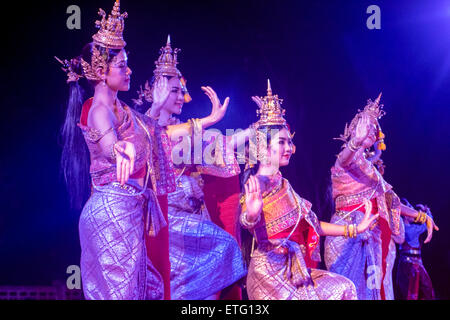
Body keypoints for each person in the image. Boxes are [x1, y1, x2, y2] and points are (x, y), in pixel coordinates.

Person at [56, 1, 176, 299]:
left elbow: (146, 128)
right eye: (122, 65)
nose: (129, 70)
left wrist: (158, 106)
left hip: (127, 212)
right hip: (112, 213)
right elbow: (110, 144)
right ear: (100, 70)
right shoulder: (98, 110)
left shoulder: (121, 108)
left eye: (127, 62)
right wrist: (118, 148)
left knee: (145, 289)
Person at [239, 81, 378, 300]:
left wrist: (356, 228)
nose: (290, 148)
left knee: (344, 288)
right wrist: (252, 215)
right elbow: (246, 219)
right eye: (282, 142)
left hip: (294, 270)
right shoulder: (260, 182)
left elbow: (314, 224)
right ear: (264, 147)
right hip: (270, 276)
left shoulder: (283, 184)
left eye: (290, 142)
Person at [134, 36, 249, 299]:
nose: (182, 97)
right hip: (160, 218)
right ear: (156, 92)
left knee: (218, 263)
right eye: (174, 90)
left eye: (181, 90)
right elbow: (164, 138)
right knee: (224, 248)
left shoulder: (185, 134)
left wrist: (255, 131)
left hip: (185, 218)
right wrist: (208, 120)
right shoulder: (143, 125)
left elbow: (221, 144)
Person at [324, 94, 439, 300]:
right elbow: (342, 160)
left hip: (374, 235)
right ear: (355, 128)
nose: (373, 130)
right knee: (348, 291)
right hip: (348, 235)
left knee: (373, 291)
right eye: (368, 125)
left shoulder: (370, 168)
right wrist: (354, 143)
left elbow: (390, 200)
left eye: (375, 127)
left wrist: (421, 216)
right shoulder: (348, 157)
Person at [394, 199, 436, 300]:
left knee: (412, 290)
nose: (413, 214)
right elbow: (428, 223)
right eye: (410, 212)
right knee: (420, 290)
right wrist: (427, 211)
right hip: (412, 266)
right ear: (406, 215)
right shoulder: (409, 229)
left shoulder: (403, 227)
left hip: (409, 264)